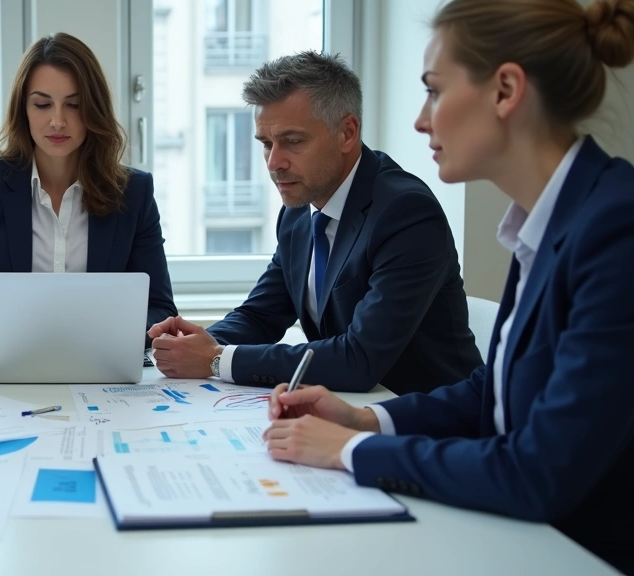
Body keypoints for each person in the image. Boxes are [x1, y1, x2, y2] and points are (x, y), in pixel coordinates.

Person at [263, 0, 634, 575]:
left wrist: (352, 450)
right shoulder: (552, 219)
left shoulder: (625, 231)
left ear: (505, 90)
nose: (420, 120)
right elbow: (494, 392)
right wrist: (366, 417)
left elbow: (537, 470)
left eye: (433, 92)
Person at [149, 51, 480, 394]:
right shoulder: (298, 211)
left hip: (430, 423)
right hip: (346, 409)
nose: (274, 162)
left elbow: (359, 359)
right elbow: (261, 315)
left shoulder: (406, 212)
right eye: (266, 144)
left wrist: (216, 359)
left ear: (347, 132)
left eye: (292, 141)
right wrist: (193, 345)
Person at [0, 33, 176, 348]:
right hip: (12, 369)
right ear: (23, 109)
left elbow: (159, 310)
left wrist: (91, 339)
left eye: (74, 105)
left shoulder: (134, 192)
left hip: (101, 370)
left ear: (94, 110)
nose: (57, 121)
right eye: (42, 104)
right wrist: (27, 341)